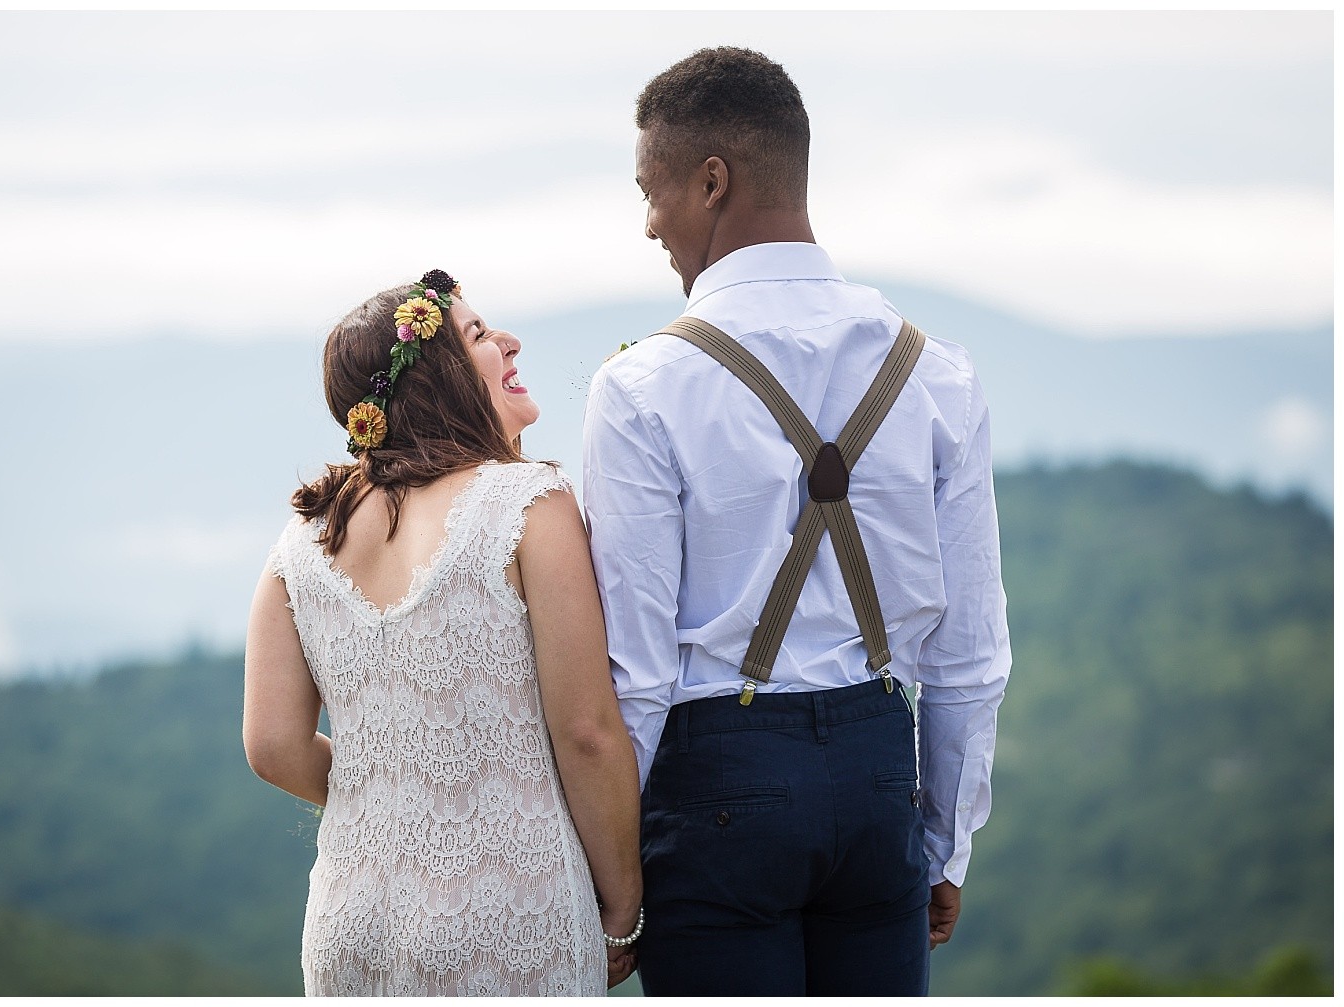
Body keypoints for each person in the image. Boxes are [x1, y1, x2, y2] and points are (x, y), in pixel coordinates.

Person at [582, 48, 1012, 995]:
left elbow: (637, 678)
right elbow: (971, 653)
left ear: (711, 182)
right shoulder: (937, 373)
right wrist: (945, 842)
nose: (649, 224)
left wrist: (614, 888)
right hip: (874, 783)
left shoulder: (642, 389)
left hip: (718, 792)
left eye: (652, 191)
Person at [244, 270, 643, 996]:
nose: (510, 341)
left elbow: (271, 747)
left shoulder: (299, 545)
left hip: (350, 922)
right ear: (436, 378)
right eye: (481, 334)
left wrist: (390, 789)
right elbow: (587, 730)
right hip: (510, 914)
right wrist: (622, 906)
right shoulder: (530, 504)